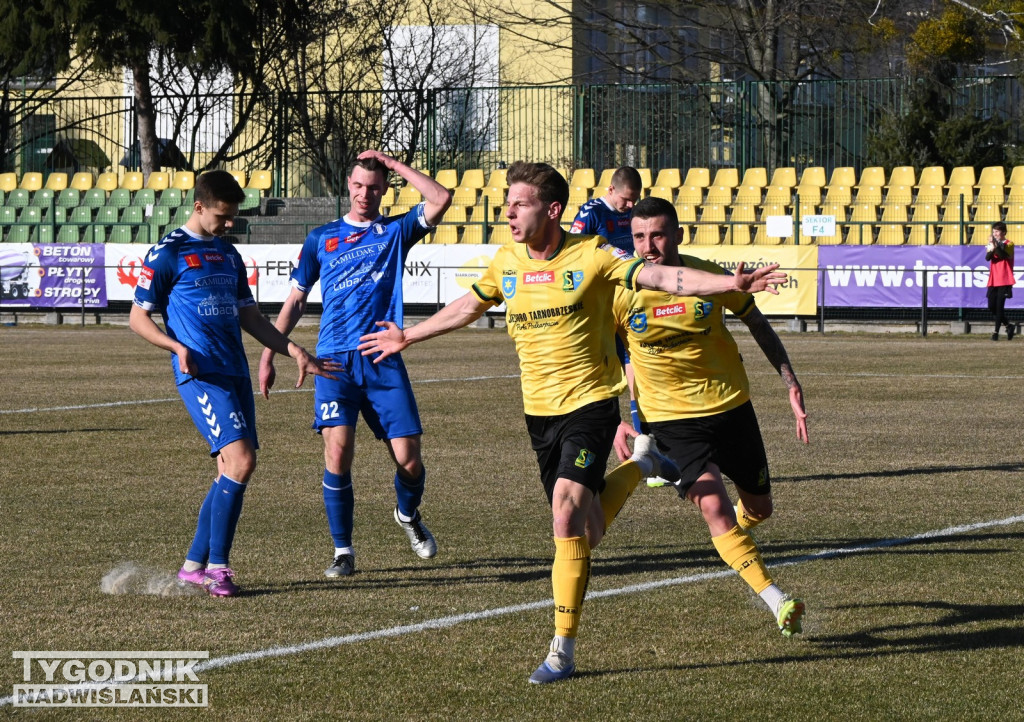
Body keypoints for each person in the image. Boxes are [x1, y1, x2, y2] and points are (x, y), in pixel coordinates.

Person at [356, 161, 787, 684]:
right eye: (508, 203)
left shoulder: (594, 254)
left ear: (552, 209)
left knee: (564, 515)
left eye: (519, 203)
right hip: (539, 414)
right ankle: (642, 466)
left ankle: (561, 650)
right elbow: (471, 304)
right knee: (586, 530)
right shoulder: (507, 259)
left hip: (590, 405)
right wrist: (410, 336)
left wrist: (726, 283)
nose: (508, 212)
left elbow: (661, 275)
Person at [129, 170, 339, 598]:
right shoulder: (166, 253)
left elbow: (251, 318)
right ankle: (218, 568)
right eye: (223, 216)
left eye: (233, 218)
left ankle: (192, 566)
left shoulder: (229, 256)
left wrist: (293, 350)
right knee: (242, 463)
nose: (229, 225)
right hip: (201, 375)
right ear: (200, 206)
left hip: (235, 372)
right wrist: (176, 347)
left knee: (229, 469)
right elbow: (137, 318)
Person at [610, 195, 808, 638]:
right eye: (639, 236)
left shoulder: (711, 278)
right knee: (715, 506)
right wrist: (618, 419)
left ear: (678, 234)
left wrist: (790, 383)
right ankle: (778, 600)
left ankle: (732, 543)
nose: (648, 246)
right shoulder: (621, 293)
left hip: (732, 408)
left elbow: (758, 324)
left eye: (658, 234)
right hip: (673, 421)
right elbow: (605, 356)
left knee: (760, 508)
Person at [258, 150, 452, 578]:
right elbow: (296, 298)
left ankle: (407, 515)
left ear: (384, 189)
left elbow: (440, 198)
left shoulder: (396, 231)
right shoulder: (320, 238)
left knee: (410, 462)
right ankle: (343, 551)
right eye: (359, 185)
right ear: (348, 185)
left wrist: (392, 162)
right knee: (338, 452)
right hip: (332, 363)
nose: (365, 193)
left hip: (382, 357)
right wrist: (270, 351)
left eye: (374, 186)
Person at [570, 166, 643, 254]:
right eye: (626, 199)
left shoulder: (634, 212)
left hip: (631, 265)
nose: (631, 205)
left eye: (634, 199)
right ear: (611, 190)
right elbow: (573, 249)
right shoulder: (591, 212)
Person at [985, 221, 1015, 341]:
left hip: (1004, 278)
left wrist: (995, 246)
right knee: (991, 306)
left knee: (999, 307)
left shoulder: (1009, 244)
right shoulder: (991, 244)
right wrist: (992, 247)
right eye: (993, 232)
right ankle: (1008, 325)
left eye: (997, 231)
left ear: (1003, 232)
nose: (995, 234)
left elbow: (1003, 256)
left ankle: (995, 332)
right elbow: (987, 258)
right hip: (993, 279)